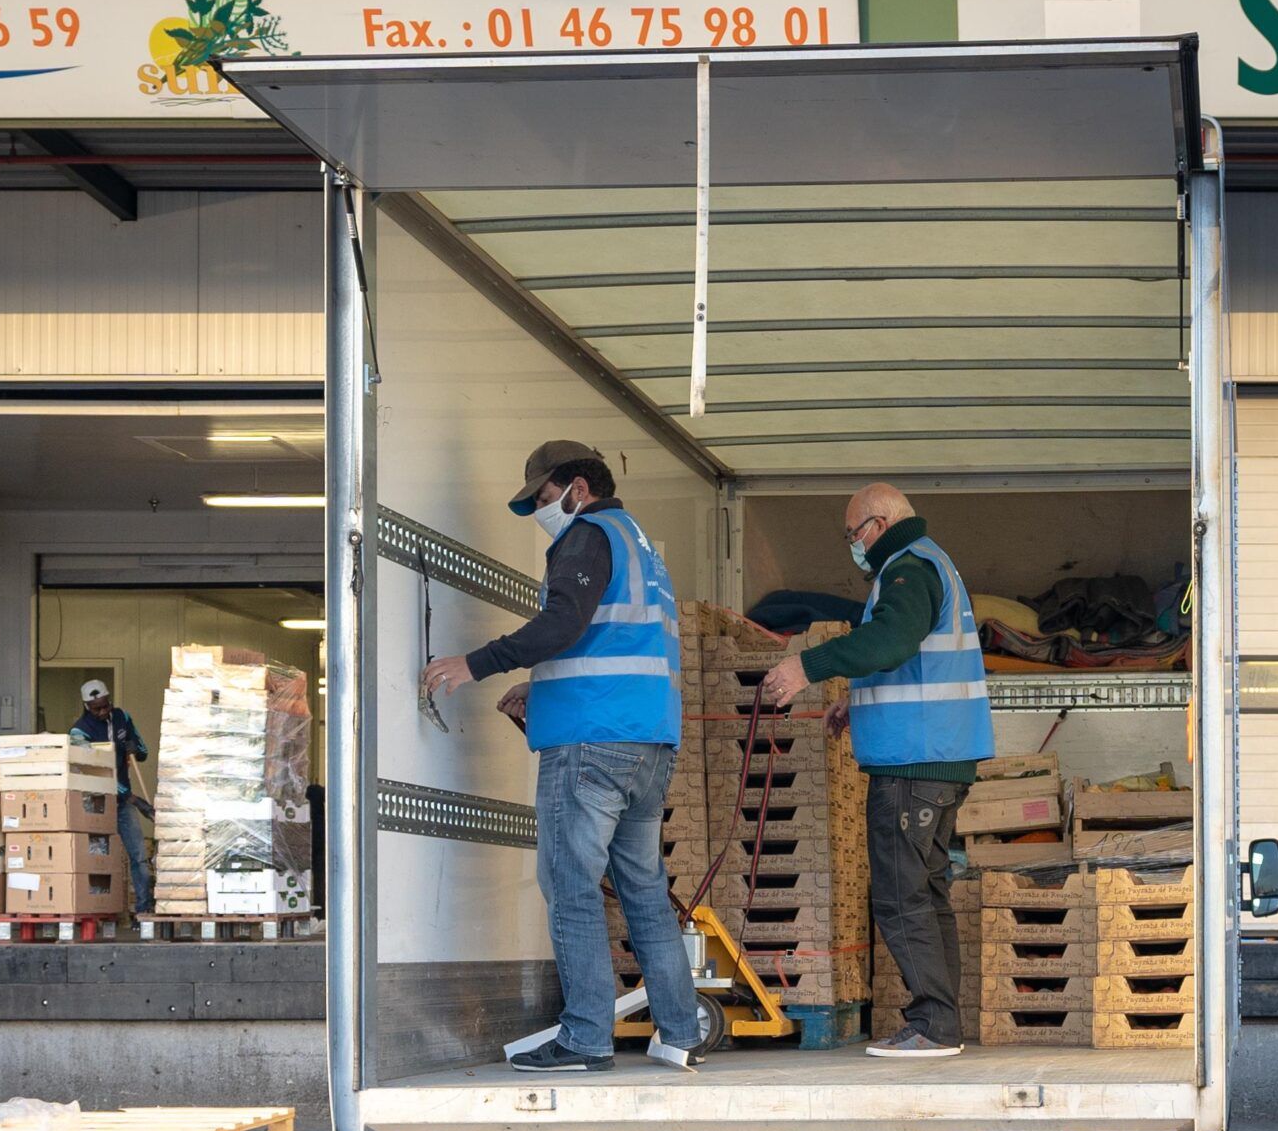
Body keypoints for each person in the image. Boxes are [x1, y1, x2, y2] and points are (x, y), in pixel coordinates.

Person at [420, 440, 706, 1074]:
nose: (545, 513)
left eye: (546, 499)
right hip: (647, 744)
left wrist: (477, 663)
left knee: (570, 886)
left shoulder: (588, 537)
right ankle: (680, 1032)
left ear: (579, 487)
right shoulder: (640, 546)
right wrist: (540, 688)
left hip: (592, 746)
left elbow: (563, 623)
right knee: (644, 891)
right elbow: (608, 643)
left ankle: (584, 1038)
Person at [762, 482, 995, 1058]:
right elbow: (910, 658)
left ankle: (934, 1025)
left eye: (855, 533)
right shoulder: (928, 563)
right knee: (926, 892)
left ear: (882, 521)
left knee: (899, 895)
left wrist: (806, 667)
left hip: (913, 765)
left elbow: (890, 640)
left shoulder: (907, 568)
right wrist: (857, 699)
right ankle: (942, 1021)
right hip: (938, 758)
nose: (854, 546)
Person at [71, 679, 154, 915]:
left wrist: (134, 747)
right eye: (96, 708)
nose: (102, 712)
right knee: (99, 861)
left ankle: (143, 912)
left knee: (138, 857)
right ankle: (98, 911)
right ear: (86, 706)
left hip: (122, 803)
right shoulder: (79, 732)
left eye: (105, 706)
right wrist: (133, 799)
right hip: (94, 803)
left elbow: (144, 752)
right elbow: (95, 773)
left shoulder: (121, 717)